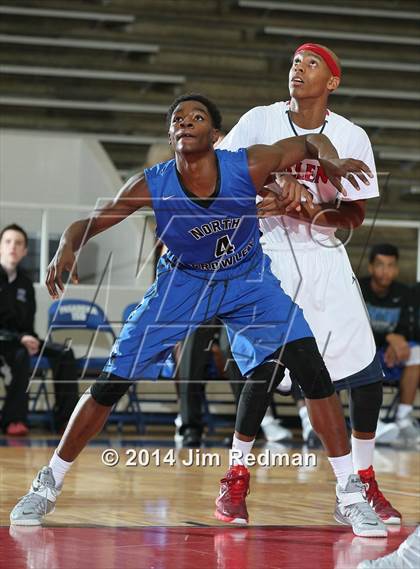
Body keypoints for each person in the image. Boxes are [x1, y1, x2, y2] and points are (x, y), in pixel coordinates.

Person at [10, 93, 384, 537]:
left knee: (310, 366)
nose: (186, 122)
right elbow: (90, 221)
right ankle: (47, 483)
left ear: (214, 135)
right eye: (178, 119)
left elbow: (309, 144)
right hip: (183, 285)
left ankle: (348, 493)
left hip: (248, 280)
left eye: (197, 117)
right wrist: (67, 246)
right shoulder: (152, 183)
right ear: (172, 136)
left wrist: (334, 164)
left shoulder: (246, 165)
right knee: (111, 383)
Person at [217, 42, 401, 526]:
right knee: (262, 373)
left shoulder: (351, 135)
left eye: (311, 63)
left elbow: (355, 215)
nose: (298, 69)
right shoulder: (260, 119)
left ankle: (361, 482)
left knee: (365, 378)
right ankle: (235, 480)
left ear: (332, 83)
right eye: (295, 62)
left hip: (323, 254)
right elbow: (221, 170)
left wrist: (307, 208)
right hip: (268, 254)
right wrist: (274, 188)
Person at [0, 224, 79, 434]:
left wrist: (29, 338)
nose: (12, 247)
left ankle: (67, 420)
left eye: (18, 243)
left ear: (25, 250)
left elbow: (27, 324)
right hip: (6, 343)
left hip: (22, 340)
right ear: (0, 247)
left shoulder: (25, 283)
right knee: (20, 355)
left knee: (65, 353)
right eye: (8, 242)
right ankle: (13, 420)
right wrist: (19, 339)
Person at [360, 244, 420, 444]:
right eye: (380, 265)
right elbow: (353, 328)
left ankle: (403, 417)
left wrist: (398, 340)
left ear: (397, 268)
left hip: (390, 353)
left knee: (416, 352)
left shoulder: (405, 292)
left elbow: (407, 328)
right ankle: (366, 423)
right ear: (370, 267)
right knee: (359, 354)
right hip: (363, 352)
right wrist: (388, 337)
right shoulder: (358, 289)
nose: (385, 271)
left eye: (390, 265)